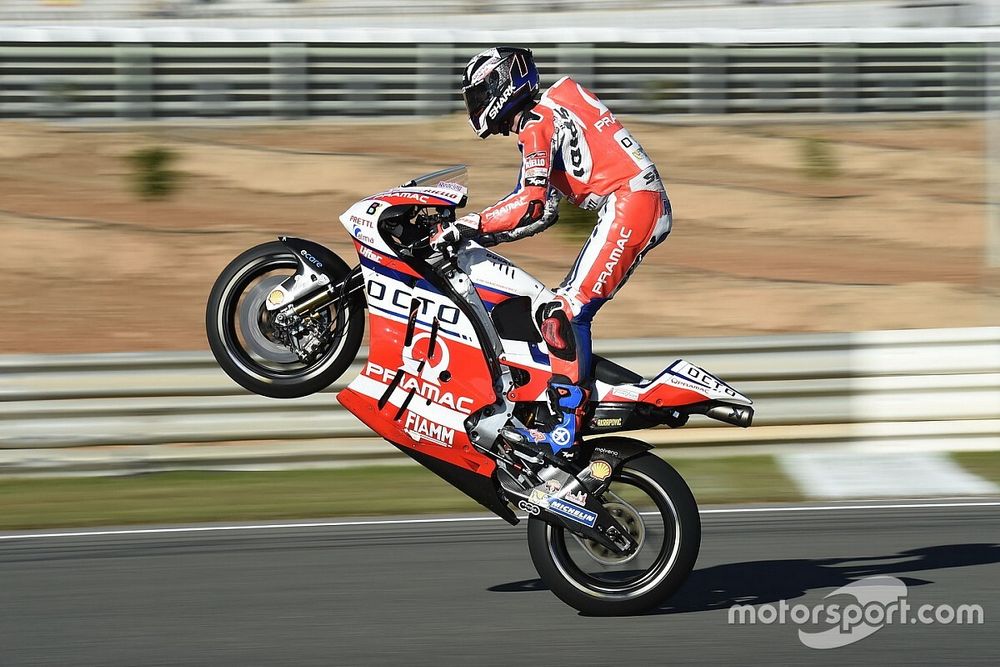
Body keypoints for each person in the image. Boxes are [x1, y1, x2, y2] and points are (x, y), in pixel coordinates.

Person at [430, 46, 672, 458]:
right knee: (558, 310)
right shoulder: (548, 113)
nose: (477, 104)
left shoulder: (537, 120)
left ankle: (567, 425)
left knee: (564, 311)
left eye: (480, 92)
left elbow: (530, 203)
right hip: (632, 200)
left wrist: (465, 228)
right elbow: (543, 213)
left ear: (503, 83)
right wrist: (476, 237)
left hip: (630, 202)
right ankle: (571, 406)